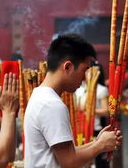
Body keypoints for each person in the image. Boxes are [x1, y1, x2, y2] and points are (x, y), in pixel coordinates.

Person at [24, 34, 122, 168]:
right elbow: (69, 162)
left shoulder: (40, 96)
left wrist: (97, 142)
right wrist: (100, 145)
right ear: (68, 67)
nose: (84, 78)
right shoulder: (52, 105)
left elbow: (65, 153)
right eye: (84, 70)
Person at [74, 62, 109, 168]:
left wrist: (90, 110)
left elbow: (106, 111)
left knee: (98, 160)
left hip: (95, 128)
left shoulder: (101, 89)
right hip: (80, 128)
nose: (87, 73)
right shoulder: (78, 88)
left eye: (89, 71)